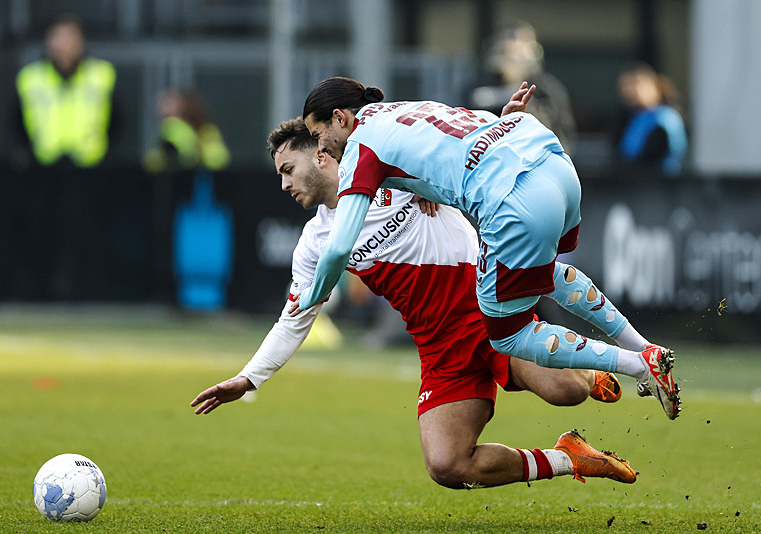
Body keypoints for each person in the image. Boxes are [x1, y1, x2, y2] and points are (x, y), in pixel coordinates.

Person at [191, 113, 639, 489]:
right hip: (439, 344)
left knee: (566, 393)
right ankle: (569, 458)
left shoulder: (392, 169)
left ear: (322, 155)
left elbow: (460, 145)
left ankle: (586, 368)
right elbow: (295, 320)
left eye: (287, 169)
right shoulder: (314, 243)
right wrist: (248, 379)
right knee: (448, 465)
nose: (284, 184)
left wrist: (505, 122)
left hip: (489, 311)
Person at [296, 76, 681, 420]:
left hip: (512, 199)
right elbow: (458, 135)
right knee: (543, 274)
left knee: (507, 336)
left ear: (340, 118)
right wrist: (503, 119)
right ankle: (644, 345)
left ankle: (638, 363)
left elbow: (337, 249)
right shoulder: (407, 107)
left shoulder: (361, 146)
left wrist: (314, 295)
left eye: (318, 134)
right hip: (550, 162)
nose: (321, 147)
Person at [15, 15, 118, 168]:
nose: (64, 45)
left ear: (81, 42)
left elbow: (118, 120)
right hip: (43, 165)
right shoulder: (31, 77)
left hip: (92, 165)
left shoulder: (101, 74)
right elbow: (16, 122)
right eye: (59, 38)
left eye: (70, 37)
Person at [466, 20, 576, 155]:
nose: (514, 46)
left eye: (523, 42)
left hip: (538, 159)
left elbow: (562, 131)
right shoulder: (478, 86)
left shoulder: (547, 88)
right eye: (509, 39)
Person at [615, 62, 687, 176]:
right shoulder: (630, 118)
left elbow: (651, 157)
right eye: (625, 86)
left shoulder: (664, 118)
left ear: (653, 86)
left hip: (659, 187)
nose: (628, 91)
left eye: (635, 84)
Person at [143, 89, 231, 174]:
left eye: (174, 114)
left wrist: (195, 149)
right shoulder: (164, 131)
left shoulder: (207, 131)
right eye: (166, 116)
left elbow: (218, 160)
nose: (170, 120)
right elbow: (151, 162)